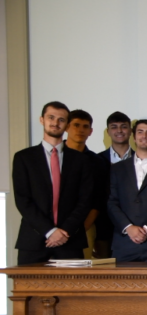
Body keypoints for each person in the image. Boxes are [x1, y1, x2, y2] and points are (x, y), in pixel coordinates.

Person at [12, 101, 93, 264]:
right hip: (33, 241)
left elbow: (85, 201)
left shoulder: (81, 160)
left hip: (69, 240)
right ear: (42, 120)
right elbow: (23, 200)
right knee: (28, 282)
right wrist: (50, 231)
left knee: (74, 283)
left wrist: (64, 232)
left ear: (67, 125)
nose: (55, 123)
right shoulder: (24, 157)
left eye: (61, 120)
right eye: (51, 117)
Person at [107, 119, 147, 262]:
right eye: (140, 132)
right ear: (134, 137)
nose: (144, 136)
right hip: (123, 244)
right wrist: (128, 227)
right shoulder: (117, 169)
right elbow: (111, 202)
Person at [63, 110, 111, 259]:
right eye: (76, 125)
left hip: (84, 225)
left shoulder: (97, 161)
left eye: (85, 126)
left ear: (90, 131)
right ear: (67, 127)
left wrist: (84, 226)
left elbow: (99, 198)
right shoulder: (53, 155)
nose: (80, 130)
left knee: (81, 268)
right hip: (53, 226)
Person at [95, 111, 134, 258]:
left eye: (123, 126)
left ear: (130, 131)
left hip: (134, 226)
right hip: (104, 225)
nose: (119, 131)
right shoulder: (96, 160)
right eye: (114, 127)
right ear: (108, 132)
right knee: (104, 269)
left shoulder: (142, 159)